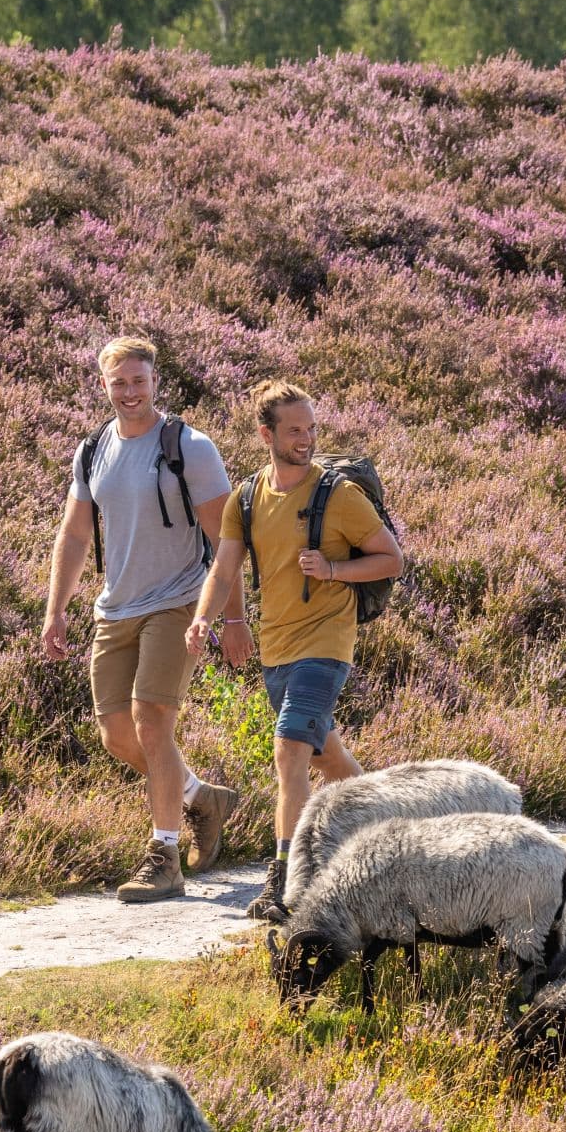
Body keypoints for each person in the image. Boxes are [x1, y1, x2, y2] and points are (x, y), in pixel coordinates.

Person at [187, 381, 403, 922]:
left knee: (289, 752)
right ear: (267, 434)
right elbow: (225, 566)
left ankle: (287, 882)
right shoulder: (248, 497)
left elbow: (390, 559)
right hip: (277, 646)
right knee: (327, 757)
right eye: (294, 430)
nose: (306, 439)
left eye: (311, 428)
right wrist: (203, 619)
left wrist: (332, 570)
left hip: (327, 642)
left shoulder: (339, 495)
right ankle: (396, 829)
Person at [43, 336, 240, 904]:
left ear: (156, 382)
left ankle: (165, 857)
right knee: (117, 735)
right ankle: (203, 797)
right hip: (115, 607)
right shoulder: (92, 450)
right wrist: (56, 609)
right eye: (118, 382)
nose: (129, 392)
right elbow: (76, 533)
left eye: (138, 381)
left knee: (152, 720)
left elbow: (224, 539)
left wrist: (233, 620)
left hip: (179, 600)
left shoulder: (190, 448)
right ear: (103, 386)